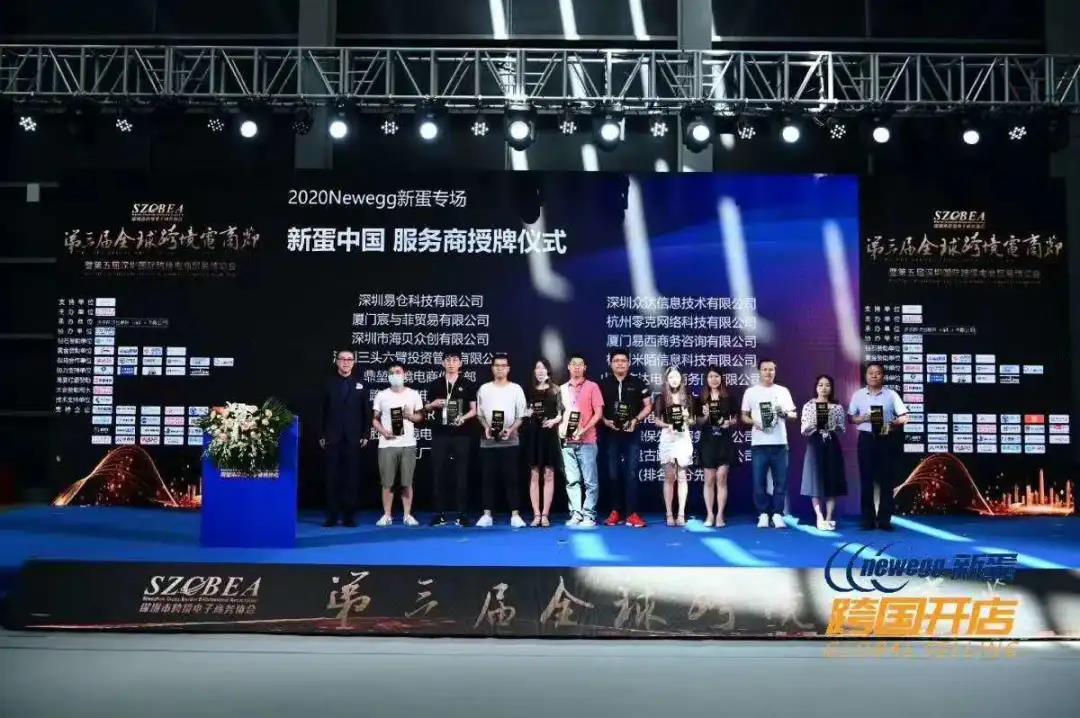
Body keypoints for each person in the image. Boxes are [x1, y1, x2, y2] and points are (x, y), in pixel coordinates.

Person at [848, 362, 909, 531]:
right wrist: (864, 418)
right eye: (871, 373)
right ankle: (867, 519)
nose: (874, 376)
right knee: (866, 480)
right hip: (866, 439)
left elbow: (905, 417)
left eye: (878, 373)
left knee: (886, 480)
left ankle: (884, 520)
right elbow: (851, 418)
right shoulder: (858, 395)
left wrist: (892, 423)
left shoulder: (891, 395)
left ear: (883, 376)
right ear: (866, 376)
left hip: (886, 439)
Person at [422, 350, 478, 527]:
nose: (451, 363)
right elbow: (426, 408)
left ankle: (462, 514)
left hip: (461, 434)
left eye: (455, 360)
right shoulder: (435, 384)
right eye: (448, 360)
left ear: (460, 363)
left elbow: (474, 410)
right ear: (443, 363)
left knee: (461, 474)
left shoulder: (467, 384)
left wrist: (464, 418)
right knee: (438, 474)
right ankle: (439, 514)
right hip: (440, 434)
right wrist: (432, 404)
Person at [741, 358, 797, 529]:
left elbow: (793, 414)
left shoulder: (783, 391)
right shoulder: (751, 392)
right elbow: (743, 416)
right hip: (759, 444)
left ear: (775, 371)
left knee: (781, 481)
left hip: (780, 443)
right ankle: (763, 513)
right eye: (765, 369)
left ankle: (778, 514)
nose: (768, 372)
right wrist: (755, 422)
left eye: (771, 369)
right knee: (759, 481)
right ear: (759, 371)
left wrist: (784, 414)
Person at [599, 349, 652, 528]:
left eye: (623, 360)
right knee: (613, 473)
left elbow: (648, 406)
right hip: (610, 434)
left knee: (631, 473)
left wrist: (635, 420)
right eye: (616, 360)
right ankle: (615, 511)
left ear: (629, 363)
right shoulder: (603, 384)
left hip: (632, 433)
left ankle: (632, 513)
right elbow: (596, 408)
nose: (620, 363)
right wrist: (605, 421)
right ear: (611, 363)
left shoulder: (638, 382)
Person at [318, 349, 371, 527]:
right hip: (332, 437)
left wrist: (365, 434)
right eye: (343, 359)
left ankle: (349, 516)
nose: (346, 362)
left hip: (353, 438)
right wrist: (321, 434)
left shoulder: (361, 384)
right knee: (332, 478)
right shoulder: (328, 384)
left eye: (349, 359)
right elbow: (321, 411)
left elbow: (366, 412)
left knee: (351, 479)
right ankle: (332, 516)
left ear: (353, 362)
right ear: (337, 362)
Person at [476, 353, 529, 528]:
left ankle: (515, 514)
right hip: (488, 441)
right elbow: (480, 415)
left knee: (512, 479)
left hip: (510, 440)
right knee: (487, 479)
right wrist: (486, 427)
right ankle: (487, 514)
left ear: (508, 368)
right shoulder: (484, 389)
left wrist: (511, 429)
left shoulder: (516, 389)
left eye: (503, 365)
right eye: (497, 365)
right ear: (492, 368)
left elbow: (521, 415)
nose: (500, 368)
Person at [371, 360, 425, 527]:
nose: (395, 375)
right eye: (392, 373)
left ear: (404, 374)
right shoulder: (381, 395)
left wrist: (410, 416)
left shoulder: (413, 394)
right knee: (387, 482)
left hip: (408, 443)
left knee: (406, 482)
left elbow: (420, 416)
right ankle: (387, 515)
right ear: (388, 376)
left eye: (398, 372)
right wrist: (383, 432)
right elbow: (375, 419)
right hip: (387, 444)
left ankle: (407, 515)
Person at [559, 353, 604, 528]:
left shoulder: (592, 387)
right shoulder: (562, 389)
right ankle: (576, 514)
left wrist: (583, 430)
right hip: (567, 442)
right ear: (568, 367)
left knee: (590, 482)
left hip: (587, 441)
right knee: (572, 481)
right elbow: (559, 415)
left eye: (580, 364)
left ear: (585, 368)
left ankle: (589, 515)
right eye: (573, 364)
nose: (577, 367)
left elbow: (598, 414)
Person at [799, 374, 847, 531]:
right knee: (815, 482)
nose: (824, 388)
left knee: (832, 481)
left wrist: (833, 426)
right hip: (815, 443)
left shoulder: (837, 407)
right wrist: (815, 424)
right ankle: (819, 517)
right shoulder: (809, 406)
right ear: (816, 387)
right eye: (820, 385)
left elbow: (842, 428)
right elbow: (804, 430)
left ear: (831, 388)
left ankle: (829, 517)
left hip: (832, 444)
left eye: (827, 385)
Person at [521, 358, 562, 527]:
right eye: (537, 368)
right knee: (534, 474)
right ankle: (536, 514)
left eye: (543, 368)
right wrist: (527, 412)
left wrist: (553, 421)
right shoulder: (528, 390)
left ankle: (545, 514)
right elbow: (522, 410)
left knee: (549, 473)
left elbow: (560, 414)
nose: (540, 371)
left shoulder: (556, 389)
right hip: (533, 434)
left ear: (548, 371)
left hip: (549, 434)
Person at [653, 366, 695, 526]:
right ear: (667, 380)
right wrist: (668, 425)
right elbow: (656, 421)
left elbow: (693, 420)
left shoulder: (688, 398)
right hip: (668, 437)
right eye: (671, 377)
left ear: (681, 379)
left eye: (676, 377)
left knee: (682, 476)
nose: (674, 380)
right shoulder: (661, 397)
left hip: (683, 437)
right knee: (669, 476)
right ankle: (669, 514)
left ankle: (681, 514)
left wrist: (687, 419)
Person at [696, 366, 737, 528]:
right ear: (706, 380)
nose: (714, 379)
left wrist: (728, 422)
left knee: (722, 478)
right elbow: (698, 422)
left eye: (716, 376)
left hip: (724, 442)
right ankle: (709, 514)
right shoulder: (701, 399)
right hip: (708, 442)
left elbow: (736, 418)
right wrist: (705, 415)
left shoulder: (728, 398)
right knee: (709, 480)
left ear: (721, 378)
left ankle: (720, 514)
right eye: (710, 376)